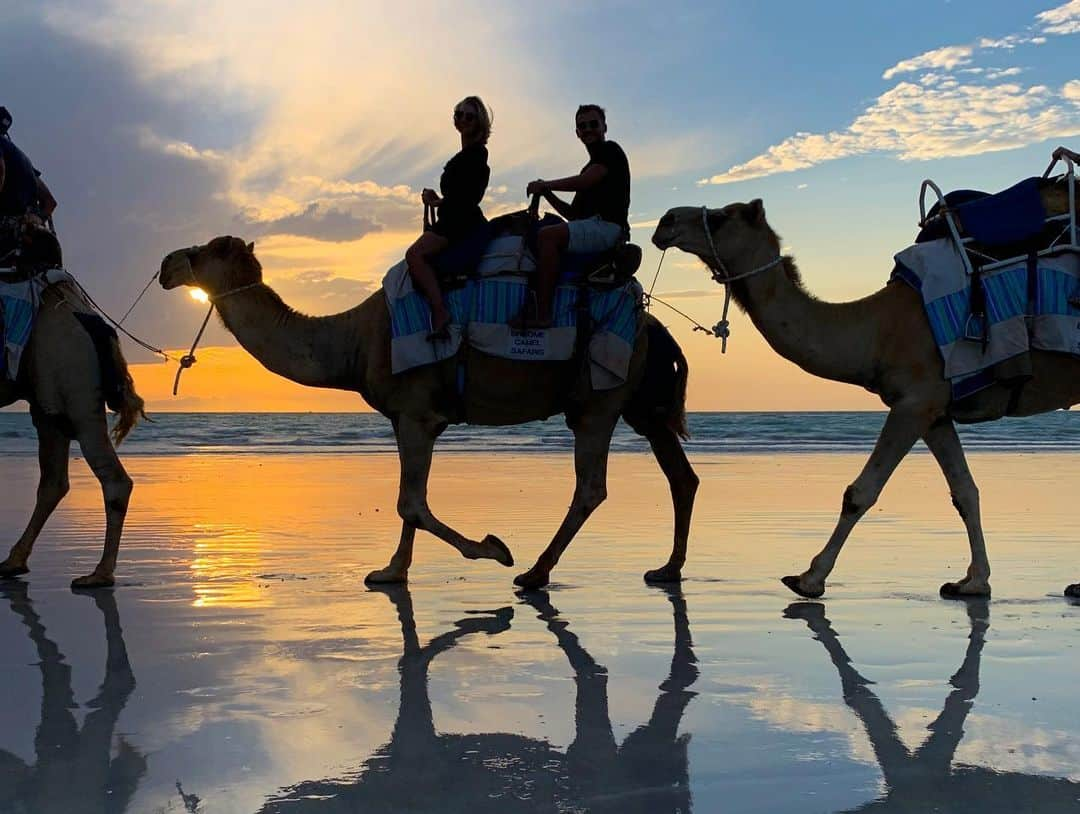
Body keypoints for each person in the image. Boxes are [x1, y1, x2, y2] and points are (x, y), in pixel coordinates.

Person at [519, 104, 630, 328]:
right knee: (541, 233)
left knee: (548, 237)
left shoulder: (610, 152)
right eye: (582, 126)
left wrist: (545, 184)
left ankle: (543, 313)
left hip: (608, 227)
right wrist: (547, 192)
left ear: (604, 127)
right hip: (592, 225)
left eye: (593, 124)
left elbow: (585, 181)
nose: (587, 129)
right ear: (577, 132)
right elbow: (573, 215)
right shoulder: (589, 167)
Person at [405, 96, 492, 340]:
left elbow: (468, 199)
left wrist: (442, 203)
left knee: (414, 256)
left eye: (469, 116)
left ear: (480, 122)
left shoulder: (476, 158)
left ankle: (440, 312)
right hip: (454, 218)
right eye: (459, 114)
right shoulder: (466, 157)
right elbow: (459, 196)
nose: (463, 119)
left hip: (458, 224)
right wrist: (437, 201)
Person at [0, 106, 58, 266]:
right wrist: (37, 219)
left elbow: (0, 171)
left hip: (8, 238)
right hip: (31, 247)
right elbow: (50, 203)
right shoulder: (24, 162)